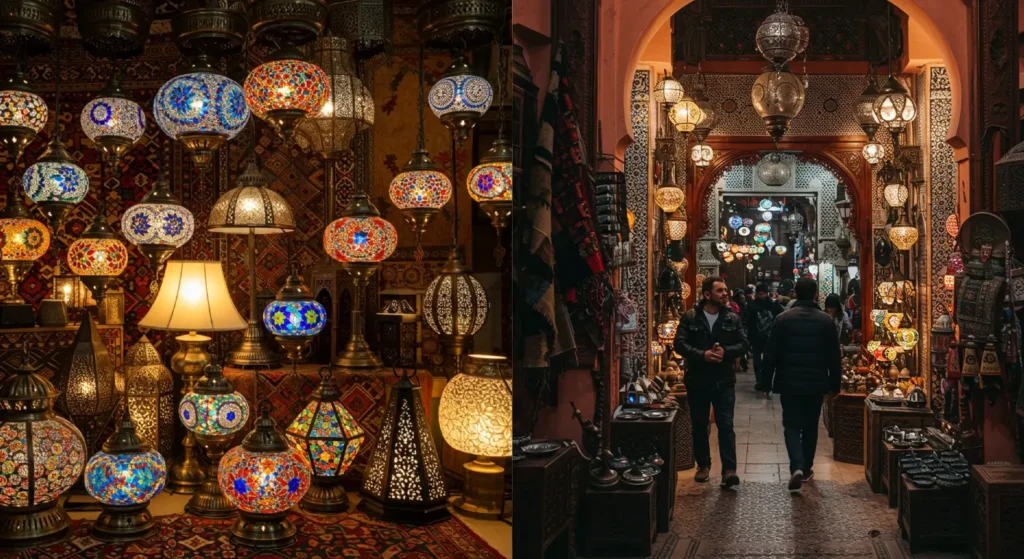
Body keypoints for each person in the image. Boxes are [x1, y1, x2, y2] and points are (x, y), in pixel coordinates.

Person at [761, 277, 842, 491]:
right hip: (816, 383)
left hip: (789, 381)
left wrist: (765, 383)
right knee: (810, 426)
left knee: (792, 425)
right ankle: (806, 468)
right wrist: (835, 385)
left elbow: (770, 353)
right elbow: (835, 357)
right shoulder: (826, 321)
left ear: (795, 293)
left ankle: (796, 465)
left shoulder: (782, 319)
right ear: (816, 295)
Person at [674, 276, 749, 488]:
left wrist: (726, 352)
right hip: (698, 379)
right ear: (707, 294)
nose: (726, 294)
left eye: (726, 290)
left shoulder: (732, 318)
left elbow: (743, 344)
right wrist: (702, 355)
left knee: (726, 425)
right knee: (699, 425)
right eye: (720, 291)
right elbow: (679, 344)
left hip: (724, 380)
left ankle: (729, 470)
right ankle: (703, 465)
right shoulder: (690, 317)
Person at [746, 283, 785, 398]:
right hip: (762, 336)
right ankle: (761, 381)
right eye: (759, 293)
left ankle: (763, 382)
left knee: (766, 360)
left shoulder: (753, 305)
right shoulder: (772, 304)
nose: (760, 295)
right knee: (761, 360)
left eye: (761, 293)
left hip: (763, 336)